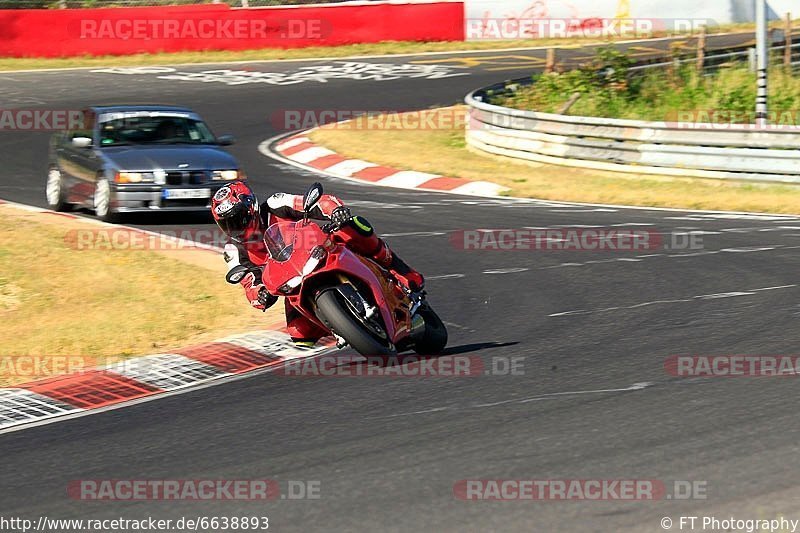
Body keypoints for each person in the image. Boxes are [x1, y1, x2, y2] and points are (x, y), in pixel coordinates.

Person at [211, 181, 424, 348]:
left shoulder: (276, 204)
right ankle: (343, 328)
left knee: (353, 227)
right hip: (293, 283)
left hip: (320, 250)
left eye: (238, 218)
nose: (235, 227)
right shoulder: (233, 251)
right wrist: (260, 295)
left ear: (251, 207)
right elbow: (249, 285)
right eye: (227, 224)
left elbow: (315, 202)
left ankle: (400, 270)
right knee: (299, 334)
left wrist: (335, 211)